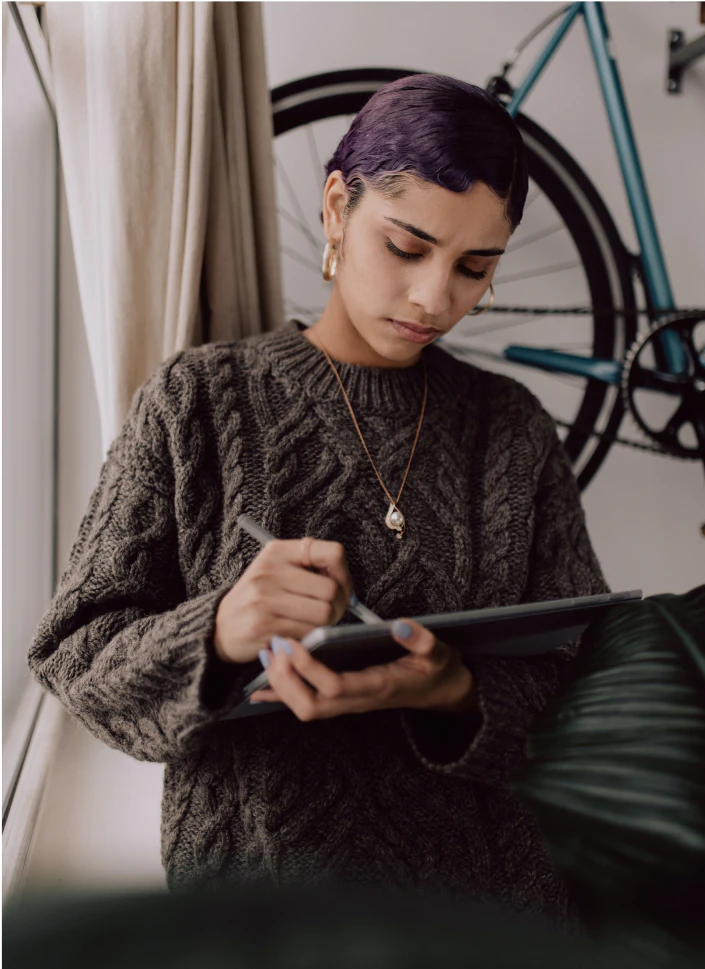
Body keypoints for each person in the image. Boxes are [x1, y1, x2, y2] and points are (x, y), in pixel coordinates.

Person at [28, 75, 609, 927]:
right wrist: (221, 628)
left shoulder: (511, 427)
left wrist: (451, 691)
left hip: (489, 919)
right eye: (406, 248)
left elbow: (592, 692)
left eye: (474, 267)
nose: (435, 299)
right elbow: (76, 663)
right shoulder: (197, 401)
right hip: (261, 920)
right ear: (336, 207)